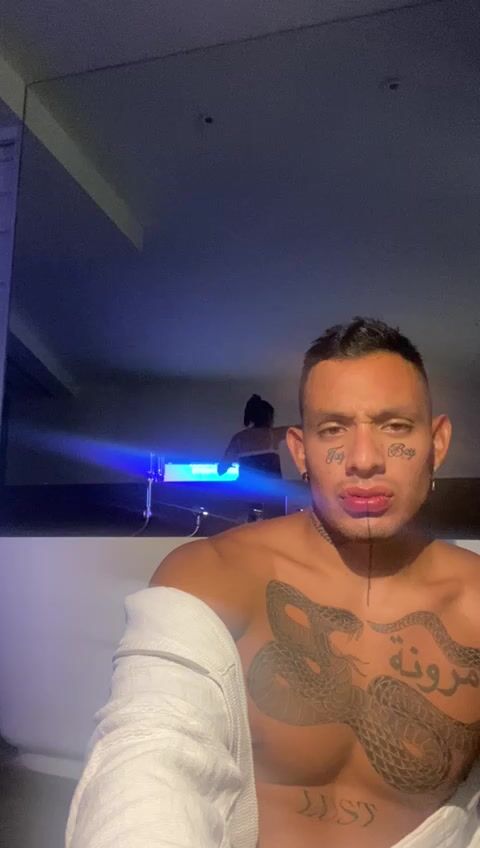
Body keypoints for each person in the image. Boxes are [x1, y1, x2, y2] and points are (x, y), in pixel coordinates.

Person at [66, 317, 480, 848]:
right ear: (300, 451)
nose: (364, 460)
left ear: (436, 442)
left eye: (395, 426)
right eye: (333, 430)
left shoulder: (472, 600)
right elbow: (149, 752)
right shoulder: (214, 574)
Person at [217, 394, 288, 478]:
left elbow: (221, 470)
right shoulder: (275, 434)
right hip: (271, 485)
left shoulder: (239, 438)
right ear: (269, 417)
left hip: (247, 485)